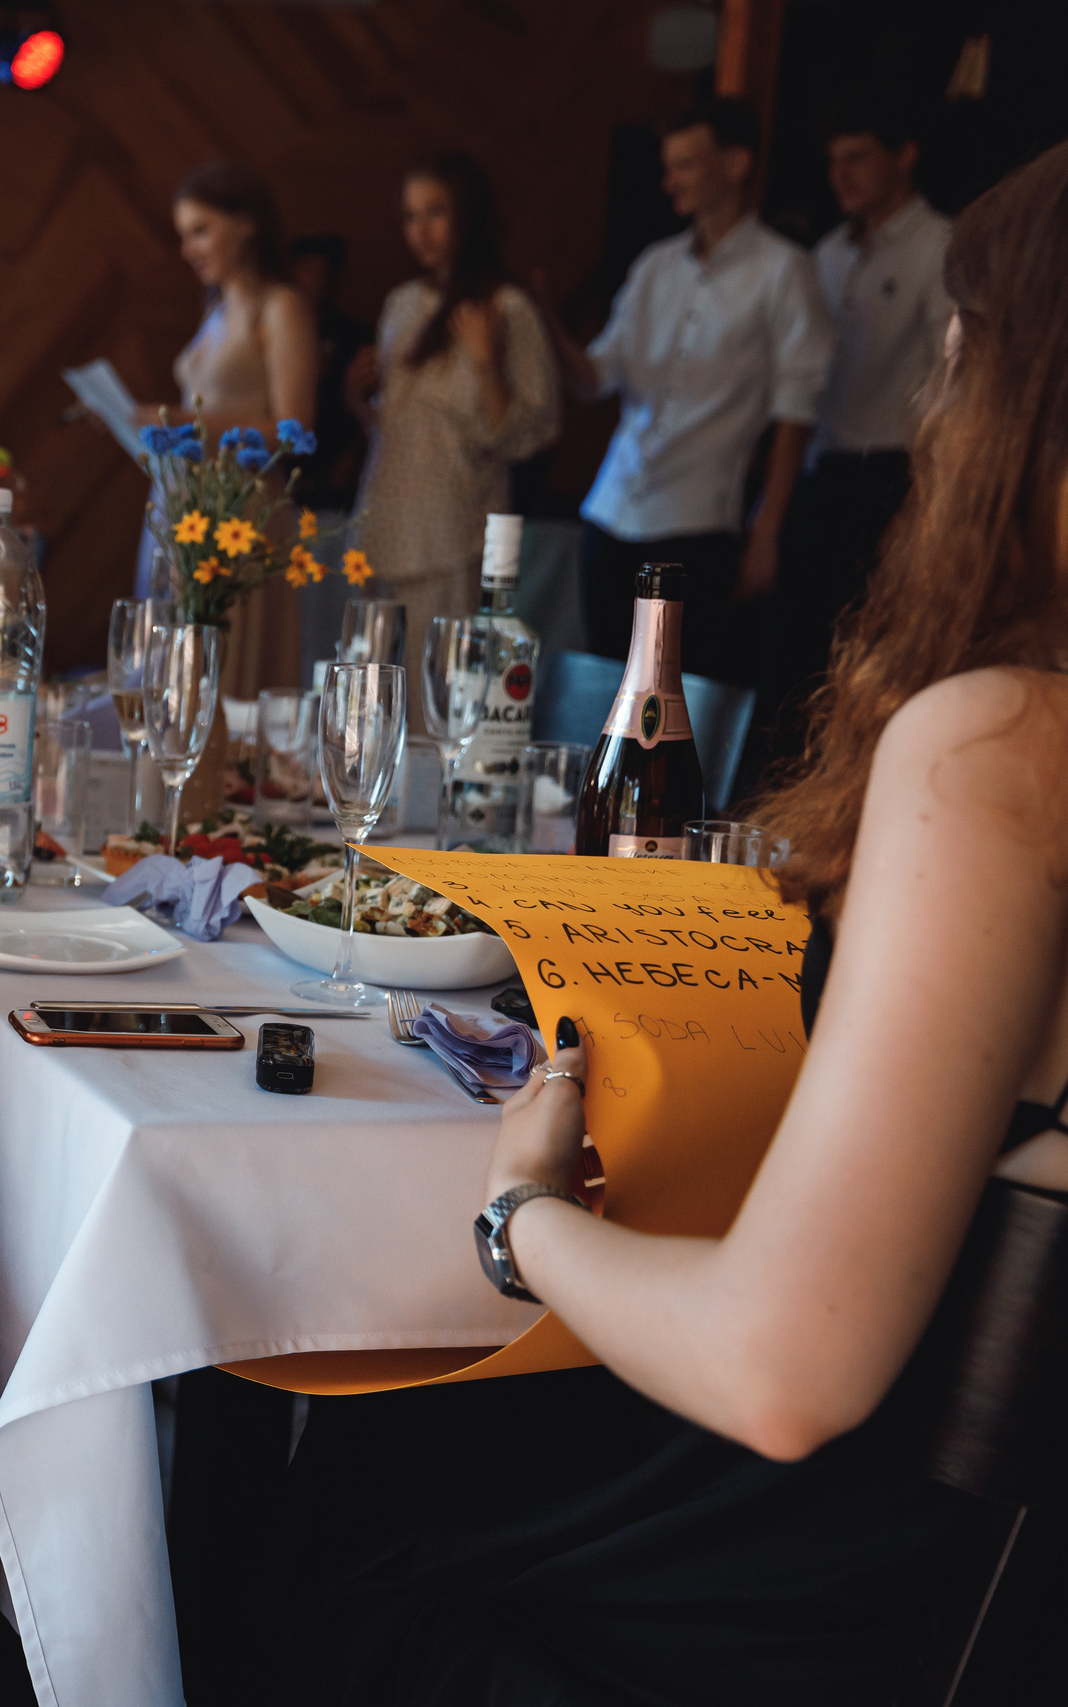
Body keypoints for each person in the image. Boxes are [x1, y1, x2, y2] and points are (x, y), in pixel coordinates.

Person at [250, 141, 1068, 1704]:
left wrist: (523, 1220)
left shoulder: (1001, 750)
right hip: (1007, 1562)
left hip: (883, 1586)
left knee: (342, 1492)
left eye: (961, 343)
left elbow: (784, 1367)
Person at [554, 98, 833, 684]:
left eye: (685, 164)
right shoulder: (656, 266)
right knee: (601, 687)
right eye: (668, 164)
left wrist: (766, 533)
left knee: (672, 698)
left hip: (697, 523)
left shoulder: (784, 270)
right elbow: (596, 378)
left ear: (735, 164)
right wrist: (543, 325)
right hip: (611, 511)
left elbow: (795, 412)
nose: (668, 180)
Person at [757, 92, 953, 776]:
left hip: (893, 472)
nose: (842, 174)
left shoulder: (939, 245)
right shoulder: (825, 253)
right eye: (833, 160)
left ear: (905, 156)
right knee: (802, 651)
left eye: (859, 157)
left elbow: (949, 379)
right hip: (821, 471)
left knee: (870, 650)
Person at [346, 153, 561, 648]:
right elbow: (401, 423)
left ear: (467, 215)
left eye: (435, 212)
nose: (420, 230)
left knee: (435, 687)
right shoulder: (402, 302)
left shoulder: (508, 307)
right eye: (410, 215)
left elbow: (532, 431)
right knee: (366, 685)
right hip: (385, 516)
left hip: (451, 527)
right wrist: (358, 401)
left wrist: (487, 367)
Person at [142, 160, 321, 692]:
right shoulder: (217, 308)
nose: (189, 249)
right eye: (183, 236)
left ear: (247, 224)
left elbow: (295, 425)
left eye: (200, 231)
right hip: (189, 504)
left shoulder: (280, 306)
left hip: (242, 510)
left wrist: (181, 423)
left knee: (227, 666)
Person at [287, 232, 372, 506]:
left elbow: (373, 406)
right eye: (307, 270)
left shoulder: (354, 336)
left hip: (338, 479)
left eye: (323, 272)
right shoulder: (278, 336)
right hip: (288, 475)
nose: (315, 280)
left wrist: (356, 454)